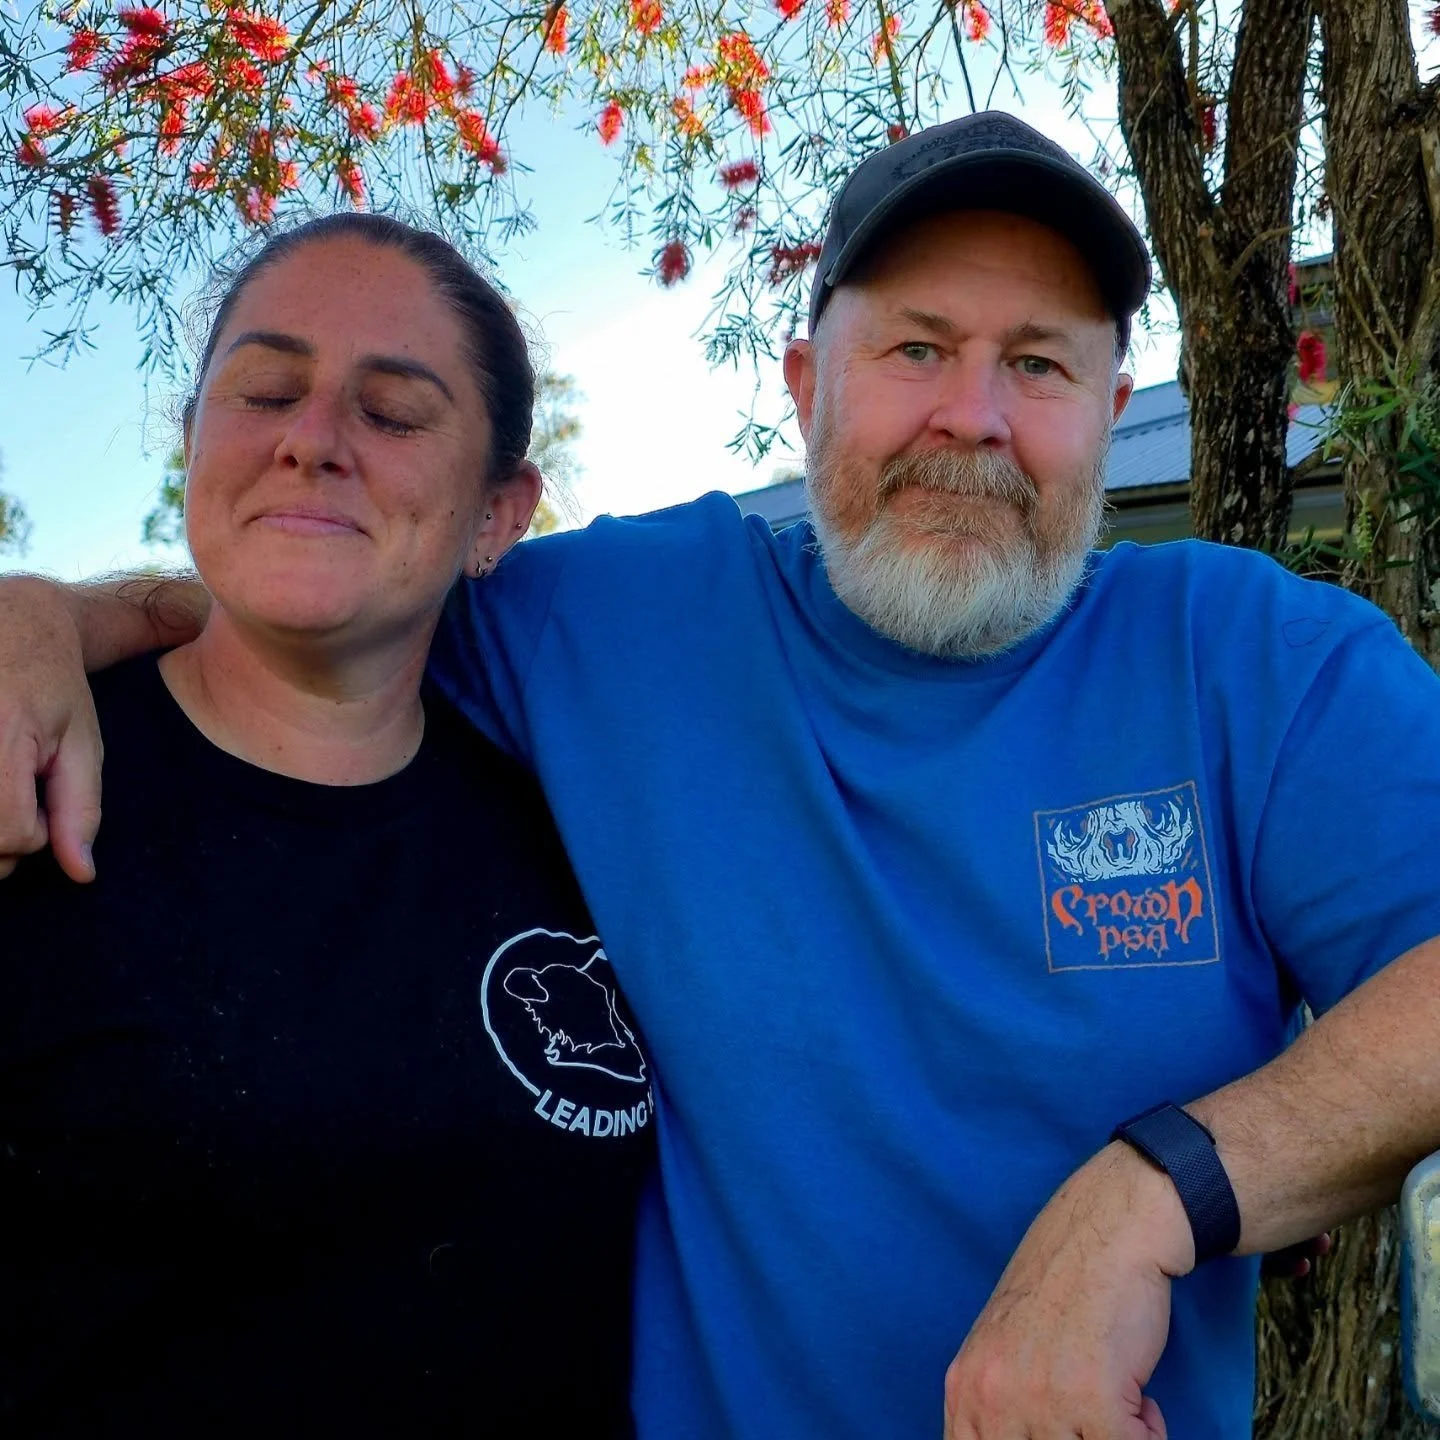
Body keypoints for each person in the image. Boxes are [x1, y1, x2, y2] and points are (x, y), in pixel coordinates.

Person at [1, 111, 1439, 1439]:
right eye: (915, 349)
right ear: (808, 385)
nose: (973, 416)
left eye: (1040, 364)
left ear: (1115, 404)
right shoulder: (617, 619)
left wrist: (1153, 1196)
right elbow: (324, 585)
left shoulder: (1257, 661)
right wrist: (47, 619)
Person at [0, 214, 653, 1437]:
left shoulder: (578, 816)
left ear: (497, 515)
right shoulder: (26, 777)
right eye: (264, 392)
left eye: (393, 413)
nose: (311, 440)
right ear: (195, 442)